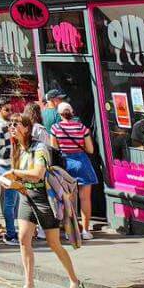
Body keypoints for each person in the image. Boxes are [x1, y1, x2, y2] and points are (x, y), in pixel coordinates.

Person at [7, 112, 84, 288]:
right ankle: (29, 285)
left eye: (16, 124)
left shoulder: (39, 148)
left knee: (53, 243)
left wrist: (14, 173)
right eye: (11, 124)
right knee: (23, 239)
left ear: (26, 128)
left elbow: (38, 173)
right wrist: (12, 182)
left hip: (43, 197)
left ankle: (75, 281)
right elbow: (23, 176)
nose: (12, 127)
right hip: (26, 195)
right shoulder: (17, 149)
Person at [50, 102, 98, 239]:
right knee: (85, 198)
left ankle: (70, 230)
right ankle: (86, 231)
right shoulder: (82, 128)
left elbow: (54, 149)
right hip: (82, 163)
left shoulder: (55, 128)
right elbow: (90, 150)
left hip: (65, 164)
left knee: (67, 199)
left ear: (59, 114)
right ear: (72, 112)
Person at [0, 101, 20, 245]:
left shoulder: (7, 125)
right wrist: (16, 150)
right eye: (6, 110)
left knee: (15, 202)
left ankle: (14, 231)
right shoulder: (0, 126)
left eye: (11, 109)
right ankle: (10, 235)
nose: (9, 112)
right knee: (10, 202)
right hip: (6, 167)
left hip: (12, 166)